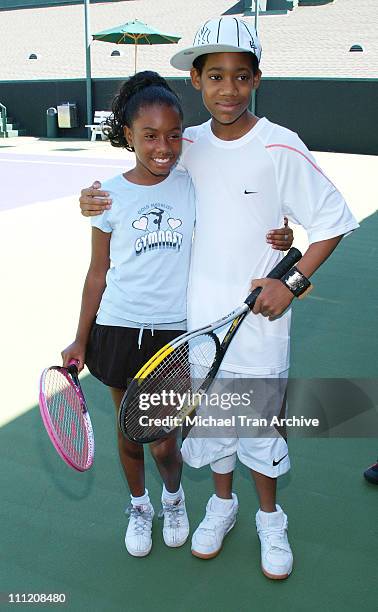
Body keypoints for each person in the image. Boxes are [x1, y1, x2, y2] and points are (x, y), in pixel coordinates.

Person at [77, 16, 358, 580]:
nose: (228, 89)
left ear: (257, 79)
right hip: (194, 325)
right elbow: (141, 183)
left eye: (240, 76)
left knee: (258, 423)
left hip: (258, 325)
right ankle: (222, 506)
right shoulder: (187, 144)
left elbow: (333, 221)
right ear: (198, 83)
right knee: (211, 424)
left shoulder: (280, 144)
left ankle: (270, 519)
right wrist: (93, 199)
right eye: (215, 77)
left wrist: (291, 279)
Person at [62, 72, 196, 558]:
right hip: (117, 328)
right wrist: (81, 339)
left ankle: (174, 499)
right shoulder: (108, 196)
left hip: (171, 332)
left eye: (173, 135)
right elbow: (97, 273)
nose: (164, 147)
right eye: (150, 136)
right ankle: (139, 506)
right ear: (128, 135)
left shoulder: (192, 184)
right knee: (127, 433)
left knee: (162, 438)